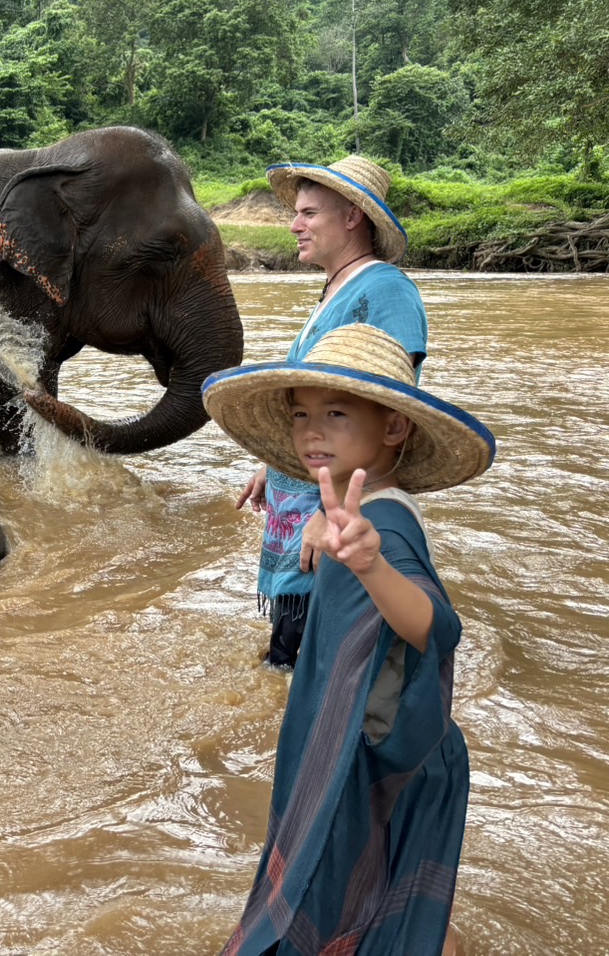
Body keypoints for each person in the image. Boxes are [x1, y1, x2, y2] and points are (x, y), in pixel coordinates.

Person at [203, 323, 495, 955]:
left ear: (394, 427)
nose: (312, 431)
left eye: (336, 413)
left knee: (330, 898)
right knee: (383, 902)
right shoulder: (366, 503)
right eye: (302, 414)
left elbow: (436, 628)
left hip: (374, 755)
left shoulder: (382, 528)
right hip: (377, 741)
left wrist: (370, 565)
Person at [236, 156, 428, 668]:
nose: (294, 226)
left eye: (309, 213)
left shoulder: (385, 290)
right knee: (286, 667)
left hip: (332, 519)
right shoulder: (335, 290)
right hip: (302, 507)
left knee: (308, 669)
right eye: (296, 214)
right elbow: (321, 400)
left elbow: (386, 407)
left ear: (352, 218)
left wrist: (328, 512)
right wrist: (274, 461)